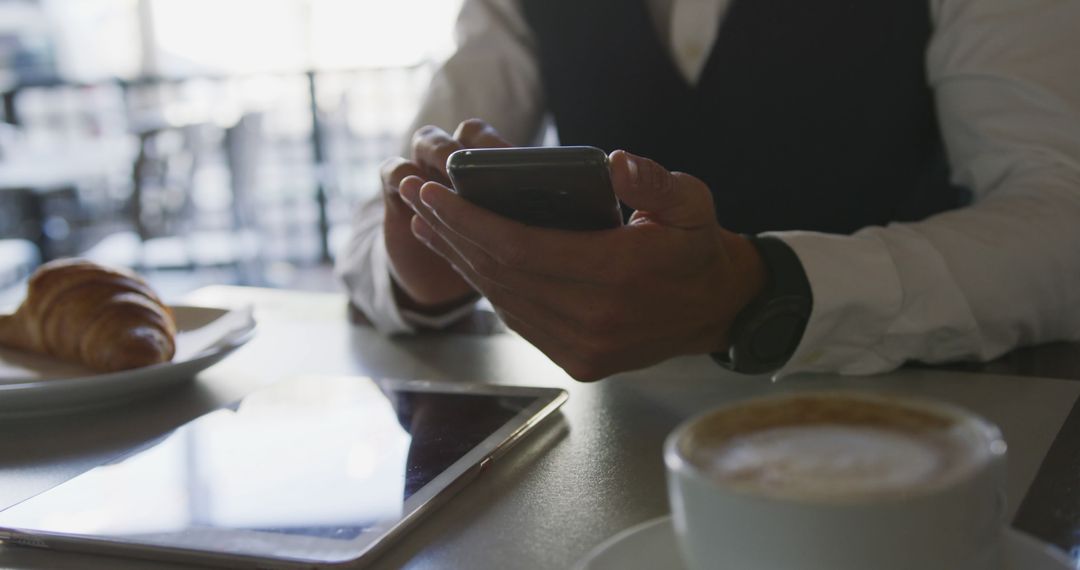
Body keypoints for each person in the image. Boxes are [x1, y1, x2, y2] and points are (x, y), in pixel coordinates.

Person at [336, 0, 1080, 380]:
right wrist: (422, 266)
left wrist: (761, 292)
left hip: (938, 435)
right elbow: (382, 215)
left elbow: (1062, 221)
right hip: (626, 457)